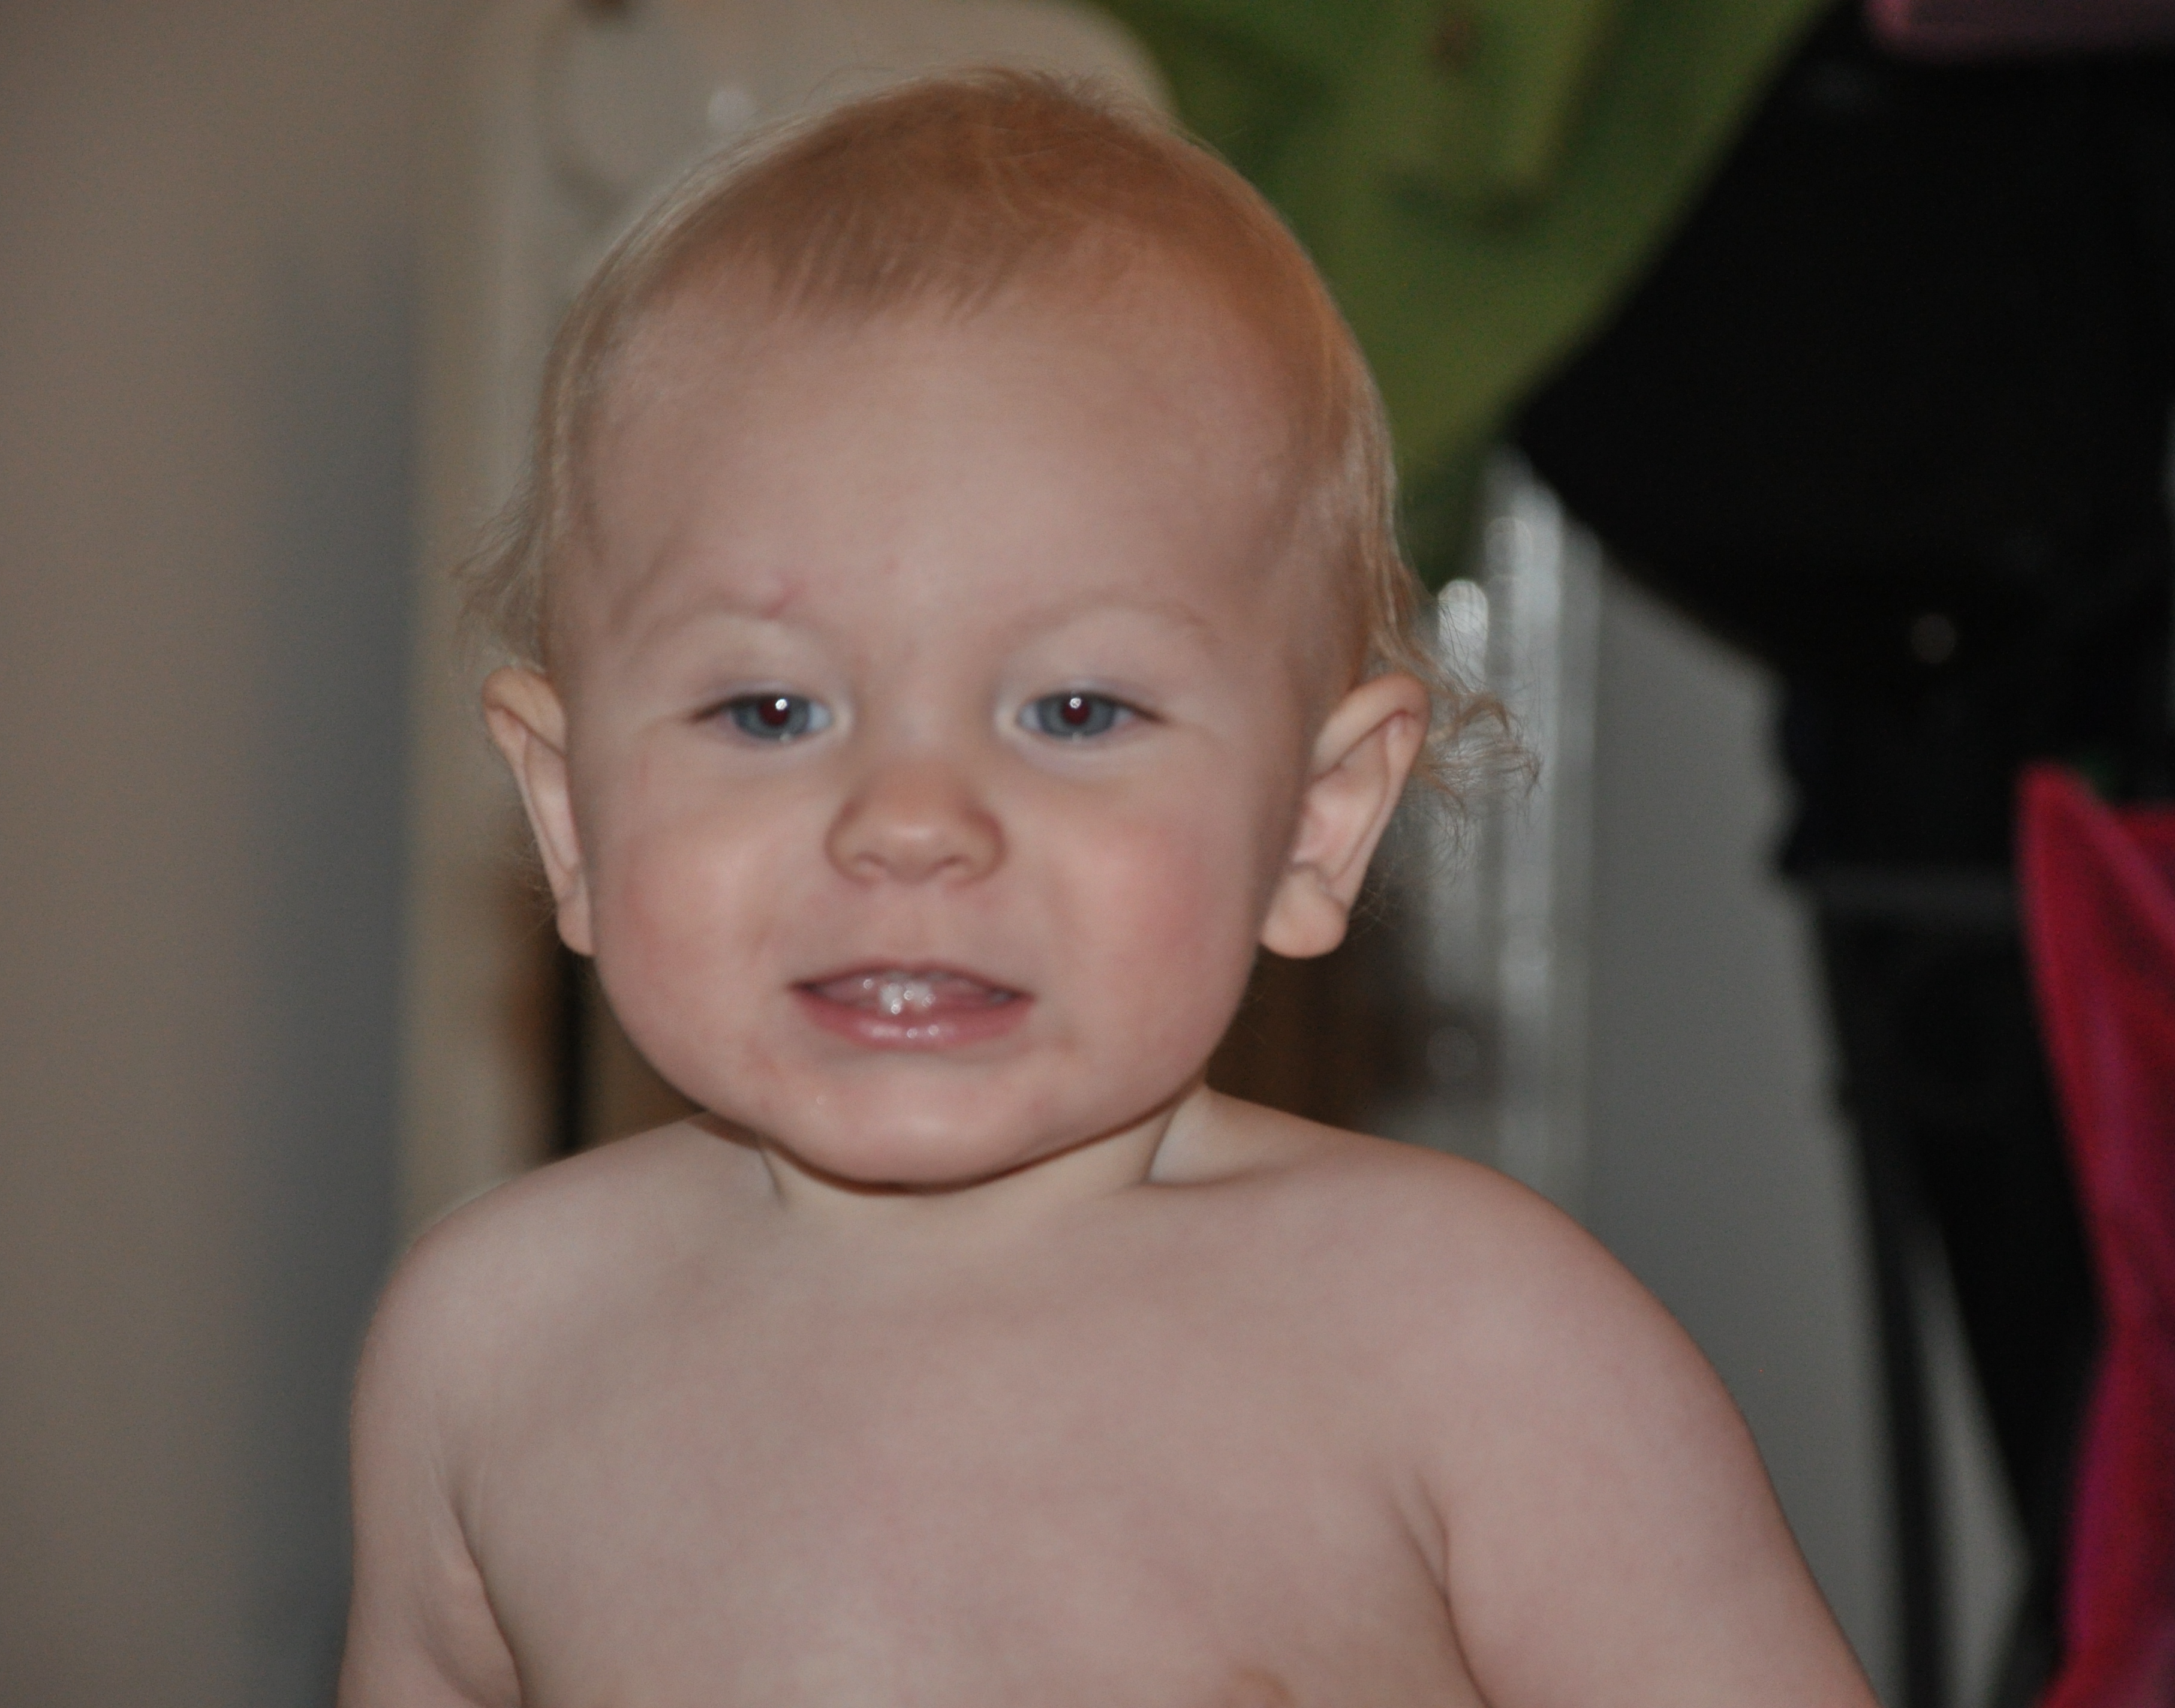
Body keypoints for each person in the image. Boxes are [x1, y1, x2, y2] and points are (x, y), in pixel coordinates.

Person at [340, 71, 1877, 1706]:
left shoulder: (1471, 1344)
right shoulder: (493, 1348)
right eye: (770, 710)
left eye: (1074, 711)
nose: (910, 824)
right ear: (570, 814)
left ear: (1317, 822)